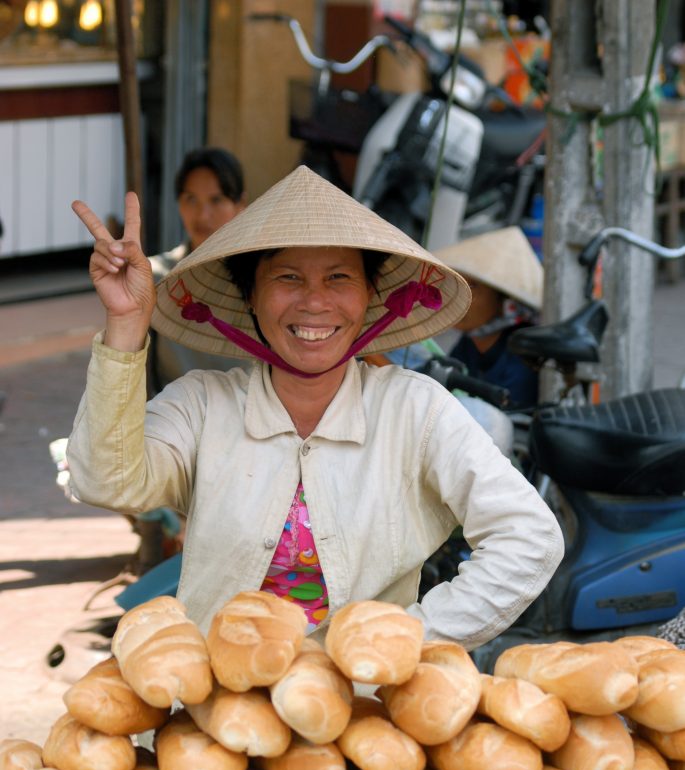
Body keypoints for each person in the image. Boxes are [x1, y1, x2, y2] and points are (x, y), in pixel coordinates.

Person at [65, 166, 563, 649]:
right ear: (251, 298)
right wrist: (127, 325)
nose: (315, 303)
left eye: (339, 278)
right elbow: (106, 480)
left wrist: (409, 639)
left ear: (370, 297)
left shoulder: (415, 409)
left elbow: (530, 536)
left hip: (361, 712)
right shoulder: (202, 405)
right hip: (215, 713)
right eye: (288, 277)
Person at [148, 146, 248, 393]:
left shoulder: (262, 280)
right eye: (191, 199)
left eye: (216, 200)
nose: (203, 215)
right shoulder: (156, 277)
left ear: (241, 204)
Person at [433, 226, 543, 410]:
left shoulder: (523, 354)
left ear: (504, 301)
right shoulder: (468, 345)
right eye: (460, 284)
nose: (461, 297)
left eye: (474, 287)